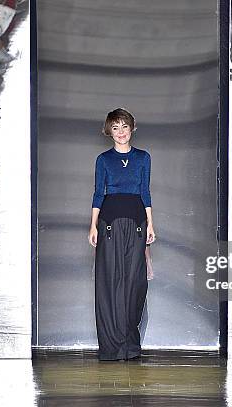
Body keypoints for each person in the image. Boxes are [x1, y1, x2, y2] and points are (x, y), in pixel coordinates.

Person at [88, 108, 156, 361]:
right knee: (110, 281)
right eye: (115, 128)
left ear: (132, 129)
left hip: (137, 222)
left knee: (135, 283)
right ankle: (112, 345)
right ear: (109, 131)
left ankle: (129, 342)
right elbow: (98, 193)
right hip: (109, 224)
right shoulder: (103, 160)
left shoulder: (143, 157)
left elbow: (145, 192)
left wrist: (150, 223)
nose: (120, 132)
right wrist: (93, 225)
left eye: (124, 127)